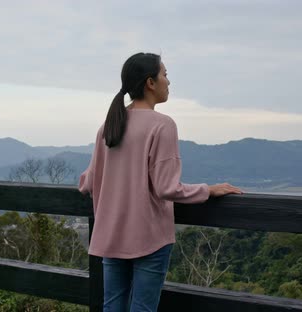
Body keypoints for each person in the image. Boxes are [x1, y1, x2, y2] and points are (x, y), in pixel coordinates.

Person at [78, 52, 243, 312]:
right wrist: (208, 190)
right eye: (165, 75)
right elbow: (167, 188)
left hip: (110, 234)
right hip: (148, 237)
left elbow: (88, 183)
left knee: (112, 307)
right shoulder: (162, 125)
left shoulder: (109, 125)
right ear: (150, 83)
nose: (169, 81)